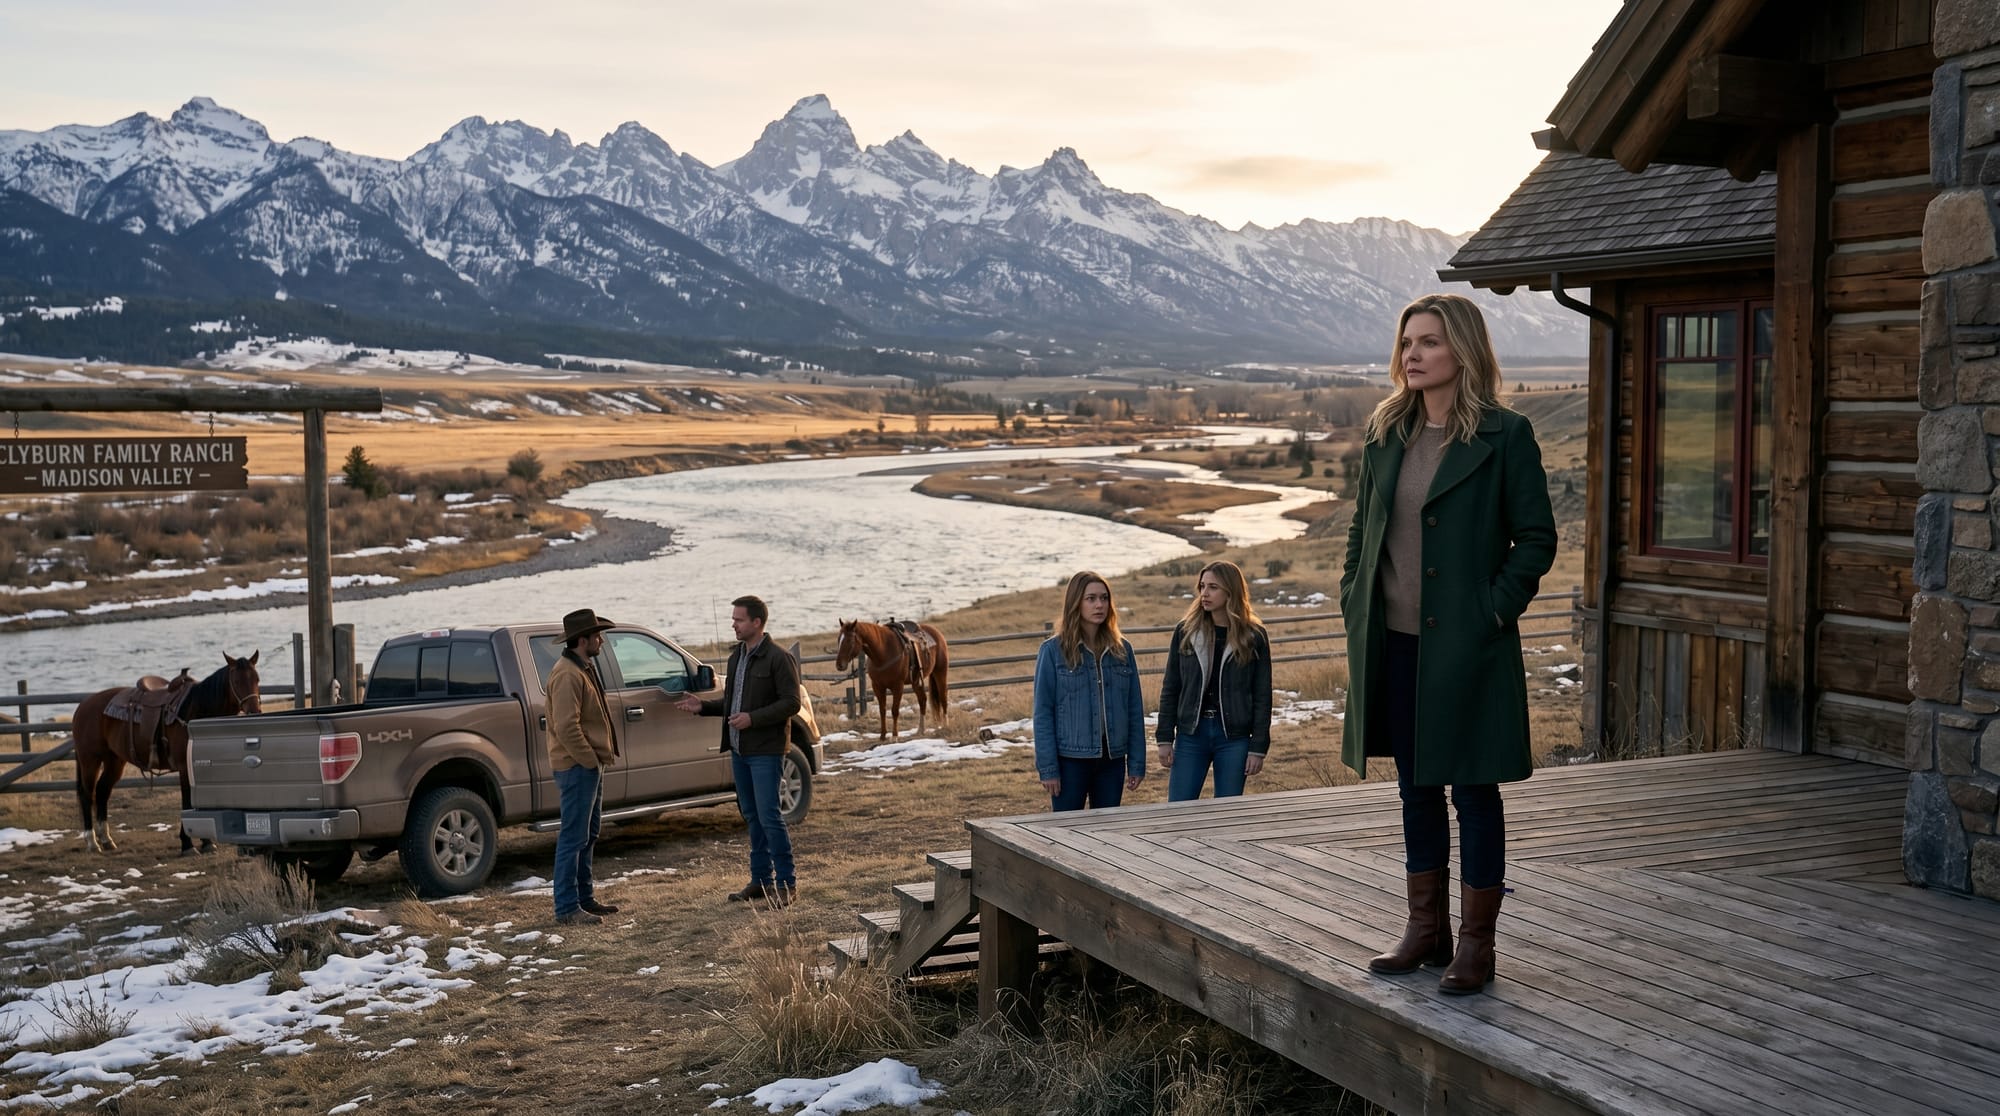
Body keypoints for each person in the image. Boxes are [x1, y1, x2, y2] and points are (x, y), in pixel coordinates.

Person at [1340, 293, 1557, 996]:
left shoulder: (1506, 435)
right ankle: (1424, 930)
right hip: (1397, 645)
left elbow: (1537, 540)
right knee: (1416, 790)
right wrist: (1353, 596)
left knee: (1474, 792)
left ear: (1462, 350)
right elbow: (1363, 530)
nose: (1413, 354)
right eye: (1407, 342)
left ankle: (1475, 946)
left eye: (1429, 342)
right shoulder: (1386, 433)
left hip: (1469, 650)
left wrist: (1491, 612)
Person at [675, 595, 802, 905]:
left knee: (769, 816)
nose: (733, 624)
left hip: (766, 751)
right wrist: (703, 706)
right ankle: (760, 881)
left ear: (757, 622)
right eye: (733, 619)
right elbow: (733, 703)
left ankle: (786, 884)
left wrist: (752, 719)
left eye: (739, 620)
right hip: (739, 750)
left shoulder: (779, 658)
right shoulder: (737, 658)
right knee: (751, 816)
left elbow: (791, 703)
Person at [1157, 560, 1272, 801]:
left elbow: (1262, 695)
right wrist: (1165, 738)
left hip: (1234, 737)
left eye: (1213, 587)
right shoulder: (1186, 631)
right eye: (1202, 586)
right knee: (1179, 810)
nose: (1204, 593)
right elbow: (1171, 687)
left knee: (1227, 811)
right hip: (1191, 733)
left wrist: (1258, 748)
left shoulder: (1254, 636)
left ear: (1231, 591)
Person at [1032, 572, 1145, 811]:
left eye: (1104, 598)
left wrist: (1136, 763)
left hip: (1112, 760)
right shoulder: (1053, 651)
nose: (1099, 605)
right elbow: (1043, 713)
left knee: (1106, 828)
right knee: (1066, 829)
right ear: (1076, 603)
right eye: (1091, 599)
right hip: (1070, 761)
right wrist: (1048, 768)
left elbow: (1134, 709)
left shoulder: (1122, 650)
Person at [546, 607, 622, 926]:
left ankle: (584, 899)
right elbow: (566, 726)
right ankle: (567, 908)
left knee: (587, 834)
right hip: (578, 766)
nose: (601, 641)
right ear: (583, 640)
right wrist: (589, 760)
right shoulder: (567, 673)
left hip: (587, 765)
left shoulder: (581, 667)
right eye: (597, 636)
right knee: (573, 837)